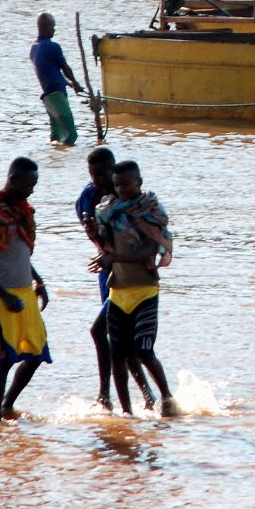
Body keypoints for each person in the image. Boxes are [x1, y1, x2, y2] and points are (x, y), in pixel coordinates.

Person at [90, 160, 177, 417]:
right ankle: (127, 413)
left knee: (144, 350)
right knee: (117, 355)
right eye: (117, 184)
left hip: (145, 292)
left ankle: (167, 398)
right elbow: (105, 247)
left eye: (127, 183)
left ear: (139, 182)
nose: (122, 189)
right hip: (118, 292)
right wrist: (94, 233)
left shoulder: (150, 210)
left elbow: (150, 249)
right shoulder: (108, 211)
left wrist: (113, 259)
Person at [75, 146, 155, 411]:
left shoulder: (131, 199)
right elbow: (99, 243)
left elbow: (149, 239)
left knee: (114, 336)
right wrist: (95, 232)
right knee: (114, 336)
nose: (100, 181)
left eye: (103, 175)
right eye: (94, 176)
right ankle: (116, 396)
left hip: (130, 274)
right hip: (109, 271)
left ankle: (141, 397)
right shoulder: (87, 198)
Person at [0, 157, 52, 423]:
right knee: (6, 358)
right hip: (2, 294)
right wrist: (3, 295)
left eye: (35, 184)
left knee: (37, 353)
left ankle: (8, 404)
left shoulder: (23, 212)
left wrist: (38, 281)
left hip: (25, 292)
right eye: (28, 184)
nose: (31, 189)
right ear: (12, 179)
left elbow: (22, 256)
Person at [30, 12, 85, 145]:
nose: (54, 29)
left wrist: (69, 84)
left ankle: (55, 160)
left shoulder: (34, 47)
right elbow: (65, 68)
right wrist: (75, 82)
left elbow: (50, 71)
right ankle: (68, 162)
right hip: (57, 96)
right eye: (53, 26)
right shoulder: (53, 46)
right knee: (71, 135)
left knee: (56, 137)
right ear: (47, 26)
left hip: (48, 98)